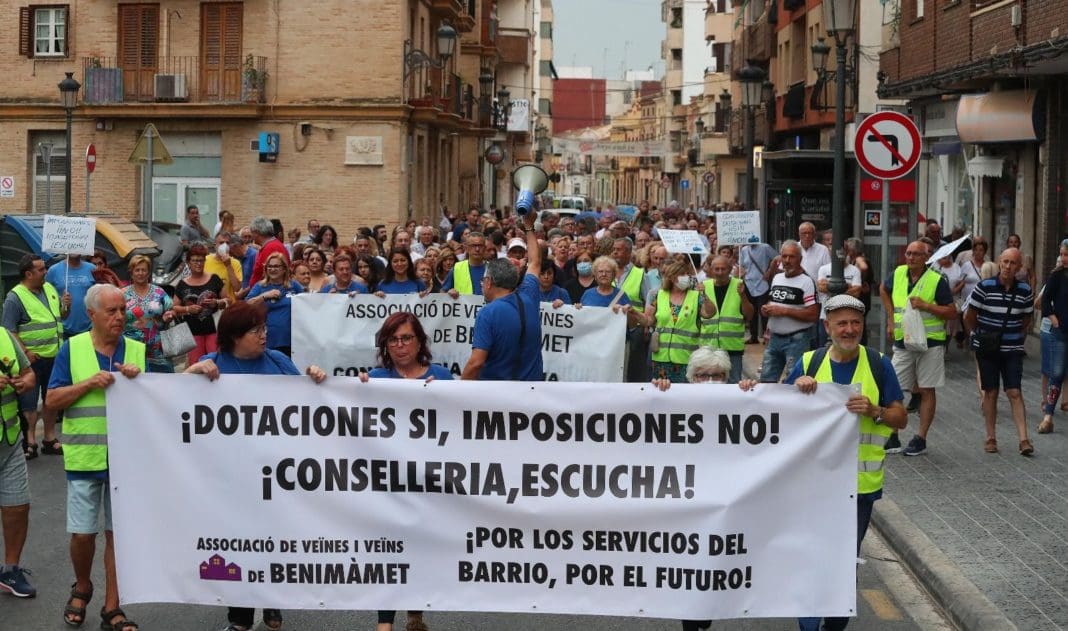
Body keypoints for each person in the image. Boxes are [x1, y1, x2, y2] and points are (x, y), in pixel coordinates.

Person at [739, 294, 907, 631]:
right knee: (810, 556)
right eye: (842, 323)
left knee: (844, 562)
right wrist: (780, 388)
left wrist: (875, 410)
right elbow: (779, 415)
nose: (849, 330)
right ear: (827, 327)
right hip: (811, 487)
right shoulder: (809, 363)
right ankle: (809, 623)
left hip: (858, 489)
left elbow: (900, 418)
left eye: (855, 323)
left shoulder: (879, 364)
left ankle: (834, 621)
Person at [185, 302, 325, 631]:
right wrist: (192, 373)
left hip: (275, 475)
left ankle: (272, 601)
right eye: (256, 331)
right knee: (237, 542)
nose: (265, 335)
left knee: (271, 538)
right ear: (234, 336)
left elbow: (307, 403)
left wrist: (316, 378)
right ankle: (240, 616)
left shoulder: (277, 361)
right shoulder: (214, 364)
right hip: (229, 478)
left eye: (264, 329)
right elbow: (171, 399)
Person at [46, 284, 146, 631]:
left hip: (125, 461)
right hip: (85, 457)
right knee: (83, 535)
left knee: (118, 534)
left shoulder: (137, 350)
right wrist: (87, 384)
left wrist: (138, 382)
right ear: (91, 314)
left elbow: (155, 402)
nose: (120, 317)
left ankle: (112, 606)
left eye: (123, 310)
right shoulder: (72, 348)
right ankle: (83, 585)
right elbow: (52, 400)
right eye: (112, 311)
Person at [880, 240, 957, 456]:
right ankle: (893, 436)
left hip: (930, 342)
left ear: (926, 257)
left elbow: (952, 312)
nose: (911, 257)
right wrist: (890, 318)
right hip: (903, 340)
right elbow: (883, 289)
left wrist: (926, 306)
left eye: (916, 254)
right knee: (893, 386)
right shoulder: (898, 273)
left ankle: (920, 438)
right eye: (908, 253)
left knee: (926, 389)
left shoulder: (937, 280)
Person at [964, 248, 1035, 455]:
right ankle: (990, 437)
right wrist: (980, 334)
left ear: (1019, 267)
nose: (1007, 266)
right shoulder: (984, 287)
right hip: (988, 349)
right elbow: (970, 315)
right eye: (1005, 262)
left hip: (1012, 348)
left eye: (1013, 263)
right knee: (991, 392)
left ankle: (1024, 439)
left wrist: (1015, 336)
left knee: (1014, 391)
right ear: (999, 262)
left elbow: (1026, 319)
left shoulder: (1024, 291)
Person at [461, 216, 542, 381]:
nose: (482, 284)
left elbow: (476, 363)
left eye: (483, 280)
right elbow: (535, 262)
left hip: (496, 393)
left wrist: (457, 391)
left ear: (489, 282)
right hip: (532, 391)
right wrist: (529, 225)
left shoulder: (488, 313)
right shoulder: (529, 296)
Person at [3, 254, 67, 459]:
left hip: (55, 355)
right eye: (41, 269)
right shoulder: (15, 297)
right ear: (28, 274)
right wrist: (26, 353)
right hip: (32, 359)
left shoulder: (49, 289)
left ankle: (49, 438)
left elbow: (59, 317)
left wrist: (65, 306)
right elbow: (9, 330)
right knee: (29, 402)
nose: (45, 272)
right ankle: (30, 441)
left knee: (51, 400)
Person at [0, 322, 38, 598]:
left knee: (18, 506)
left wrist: (25, 382)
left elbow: (28, 374)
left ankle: (10, 570)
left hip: (10, 439)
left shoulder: (3, 335)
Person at [643, 255, 717, 383]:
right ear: (672, 278)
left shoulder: (695, 296)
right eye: (682, 274)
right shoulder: (659, 295)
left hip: (686, 358)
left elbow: (709, 313)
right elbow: (648, 320)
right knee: (662, 391)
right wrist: (633, 313)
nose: (686, 277)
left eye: (687, 274)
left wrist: (705, 295)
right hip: (661, 359)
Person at [759, 241, 819, 382]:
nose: (787, 260)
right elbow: (773, 302)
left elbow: (813, 314)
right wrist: (766, 309)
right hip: (774, 339)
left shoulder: (807, 281)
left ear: (800, 259)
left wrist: (784, 311)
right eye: (784, 256)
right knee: (766, 382)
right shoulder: (777, 278)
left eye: (791, 257)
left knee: (795, 382)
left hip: (796, 341)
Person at [700, 255, 754, 382]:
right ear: (711, 270)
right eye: (716, 269)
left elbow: (749, 315)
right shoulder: (703, 286)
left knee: (733, 384)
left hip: (732, 348)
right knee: (708, 383)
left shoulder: (739, 285)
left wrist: (743, 296)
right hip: (709, 347)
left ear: (730, 269)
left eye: (723, 269)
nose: (720, 272)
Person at [174, 245, 228, 364]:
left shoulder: (214, 279)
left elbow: (227, 300)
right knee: (196, 365)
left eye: (201, 260)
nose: (198, 264)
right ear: (188, 263)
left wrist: (216, 303)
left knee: (216, 362)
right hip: (193, 332)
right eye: (195, 261)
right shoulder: (182, 284)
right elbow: (175, 308)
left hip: (214, 329)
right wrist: (188, 309)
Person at [122, 255, 176, 373]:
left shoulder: (159, 292)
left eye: (144, 270)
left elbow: (171, 309)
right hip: (131, 348)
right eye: (137, 270)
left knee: (162, 381)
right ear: (131, 272)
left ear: (149, 272)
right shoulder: (122, 294)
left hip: (158, 350)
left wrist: (169, 315)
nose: (140, 273)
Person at [246, 252, 304, 357]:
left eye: (276, 266)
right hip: (267, 339)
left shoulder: (294, 285)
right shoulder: (260, 286)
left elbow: (306, 304)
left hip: (291, 340)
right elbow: (247, 305)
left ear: (284, 269)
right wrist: (265, 296)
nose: (272, 269)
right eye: (269, 266)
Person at [1040, 240, 1068, 434]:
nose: (1064, 258)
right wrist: (1054, 319)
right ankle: (1048, 416)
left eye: (1067, 255)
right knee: (1057, 373)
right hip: (1061, 332)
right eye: (1062, 254)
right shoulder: (1057, 276)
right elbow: (1045, 301)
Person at [815, 256, 863, 348]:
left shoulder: (854, 270)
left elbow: (856, 292)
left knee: (847, 346)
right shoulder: (824, 269)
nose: (840, 255)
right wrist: (847, 286)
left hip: (848, 316)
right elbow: (821, 287)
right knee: (824, 348)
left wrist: (831, 286)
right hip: (825, 315)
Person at [46, 253, 97, 339]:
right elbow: (46, 295)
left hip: (90, 328)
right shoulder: (53, 270)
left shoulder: (92, 269)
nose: (74, 250)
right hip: (63, 329)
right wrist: (61, 301)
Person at [739, 241, 778, 344]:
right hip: (748, 284)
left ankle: (766, 336)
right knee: (752, 312)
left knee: (764, 311)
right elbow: (741, 265)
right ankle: (753, 336)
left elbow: (777, 258)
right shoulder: (744, 249)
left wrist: (769, 271)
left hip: (762, 283)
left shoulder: (765, 247)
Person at [248, 216, 290, 286]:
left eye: (252, 233)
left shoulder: (271, 247)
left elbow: (270, 275)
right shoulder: (269, 246)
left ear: (257, 232)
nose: (251, 236)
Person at [444, 232, 488, 296]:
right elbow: (442, 292)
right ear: (466, 248)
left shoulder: (492, 269)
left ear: (485, 248)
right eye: (473, 246)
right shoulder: (457, 268)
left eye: (480, 246)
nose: (477, 249)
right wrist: (449, 293)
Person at [204, 231, 243, 303]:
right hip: (208, 303)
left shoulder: (235, 263)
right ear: (215, 245)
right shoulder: (205, 260)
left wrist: (228, 265)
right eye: (221, 243)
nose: (225, 245)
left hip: (228, 305)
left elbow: (237, 289)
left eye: (227, 243)